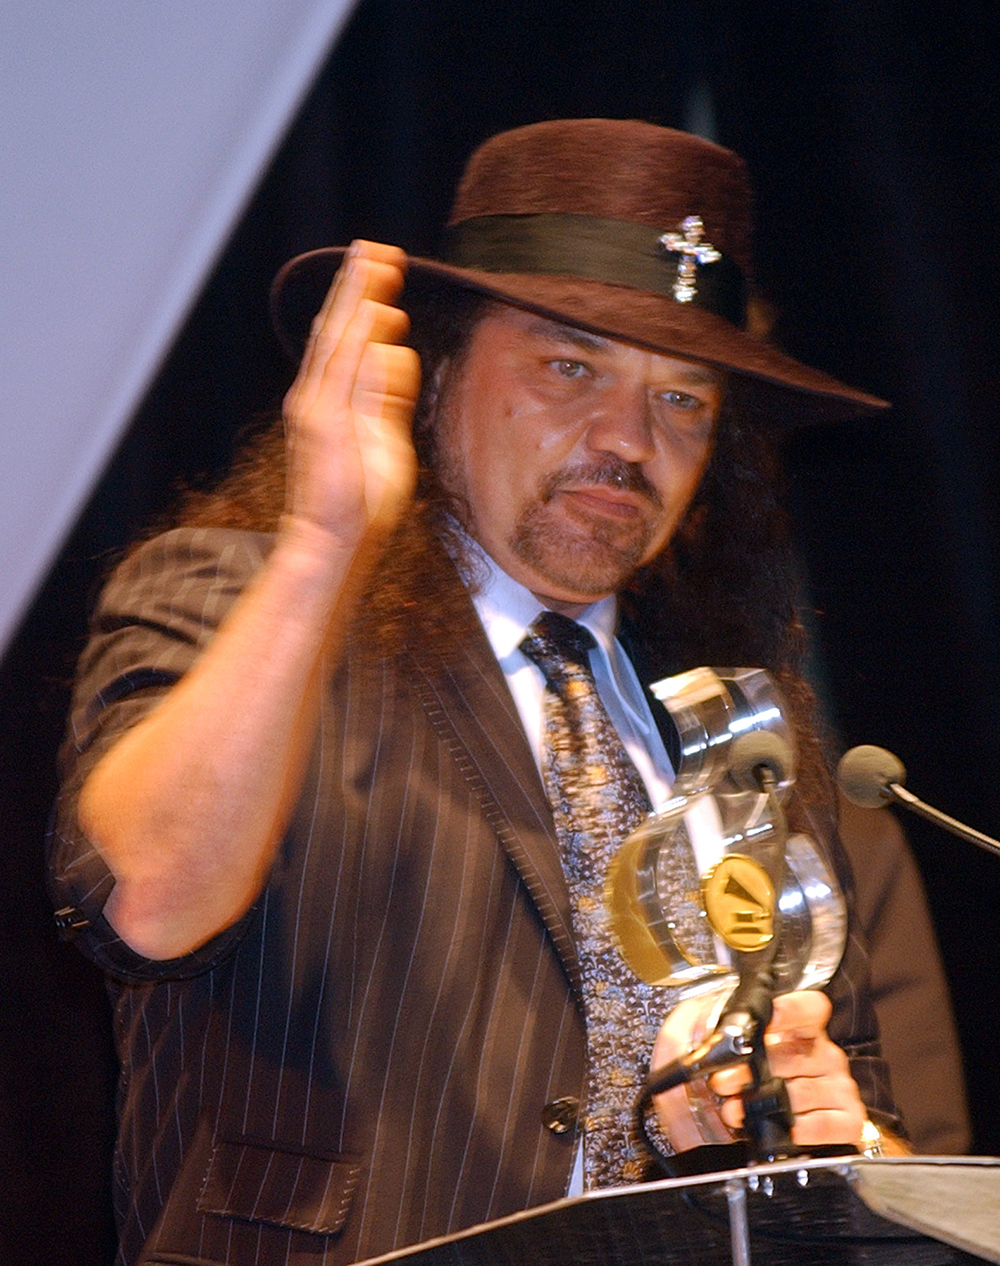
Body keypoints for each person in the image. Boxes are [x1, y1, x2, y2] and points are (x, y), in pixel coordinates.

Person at [51, 119, 922, 1266]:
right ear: (437, 369)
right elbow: (149, 900)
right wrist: (323, 542)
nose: (626, 440)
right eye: (570, 366)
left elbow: (877, 1151)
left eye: (684, 402)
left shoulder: (732, 725)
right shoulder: (246, 603)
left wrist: (818, 1132)